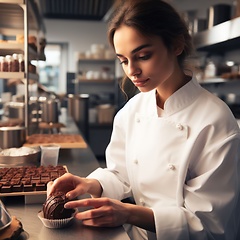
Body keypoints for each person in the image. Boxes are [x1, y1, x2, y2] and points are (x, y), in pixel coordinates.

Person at [48, 0, 240, 239]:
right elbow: (121, 173)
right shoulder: (133, 110)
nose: (132, 71)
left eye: (143, 56)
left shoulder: (215, 120)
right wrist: (91, 183)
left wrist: (128, 214)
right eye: (124, 60)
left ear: (177, 44)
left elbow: (209, 224)